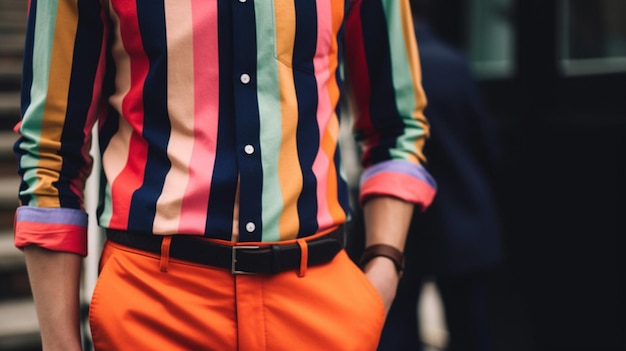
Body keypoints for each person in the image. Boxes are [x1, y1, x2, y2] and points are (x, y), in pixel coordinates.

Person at [13, 1, 436, 350]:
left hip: (322, 309)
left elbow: (397, 124)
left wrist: (384, 264)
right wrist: (60, 344)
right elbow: (51, 149)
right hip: (153, 312)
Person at [373, 0, 504, 350]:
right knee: (472, 333)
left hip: (402, 224)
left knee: (396, 330)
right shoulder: (453, 63)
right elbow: (485, 144)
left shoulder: (380, 67)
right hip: (464, 218)